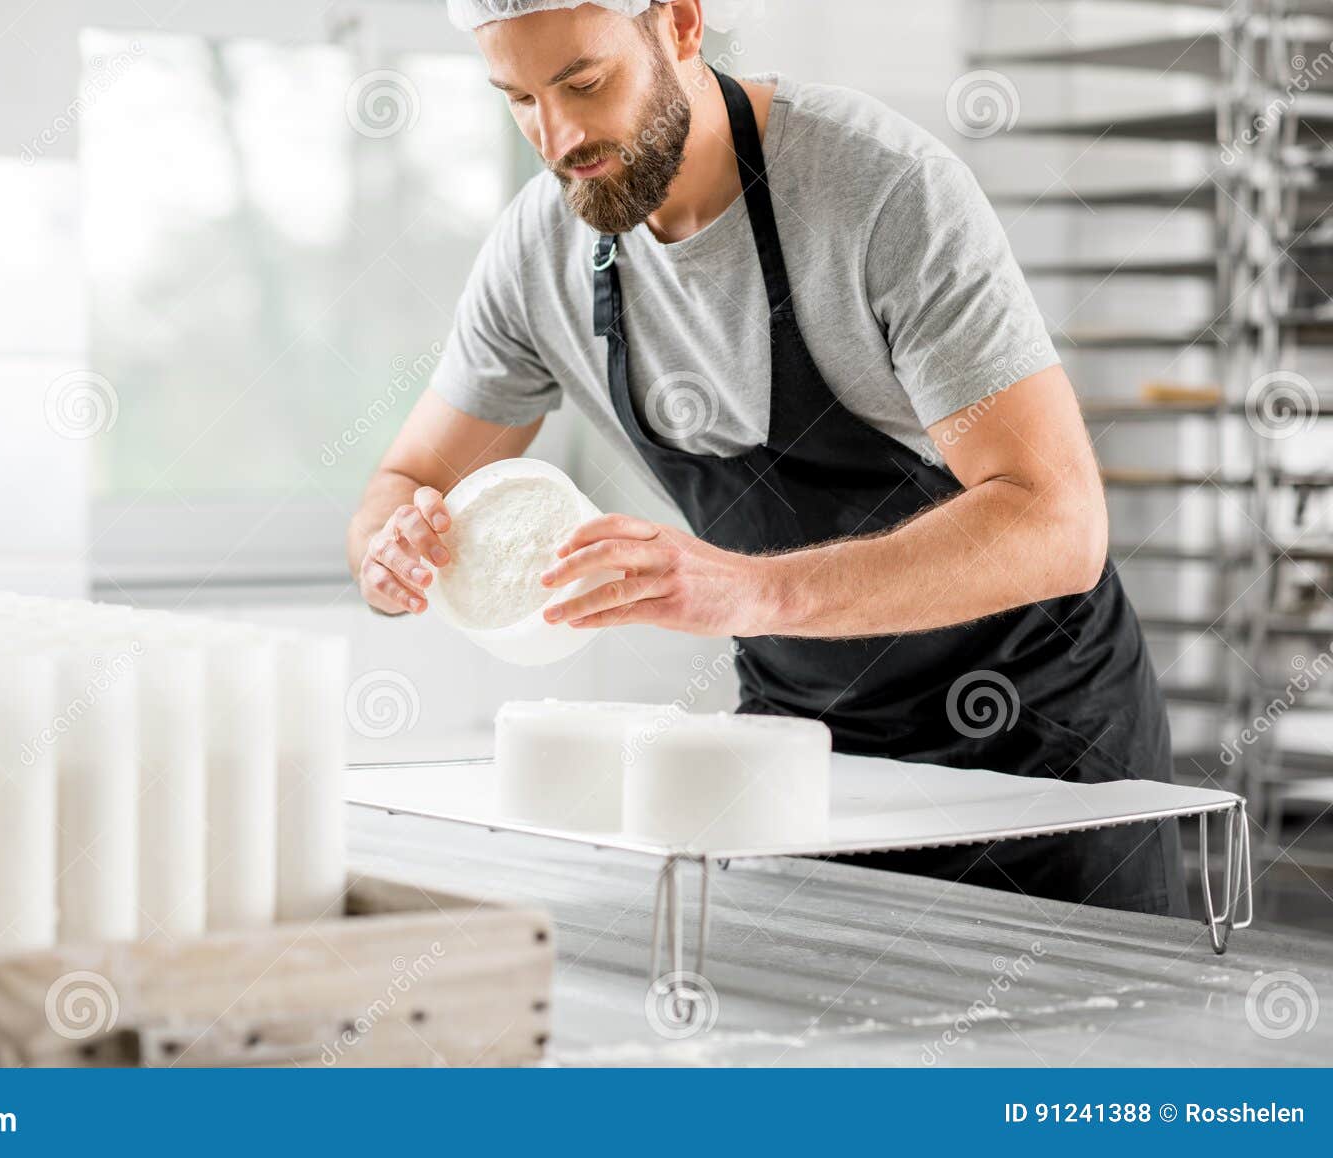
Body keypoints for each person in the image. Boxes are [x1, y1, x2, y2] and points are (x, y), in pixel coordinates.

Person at [346, 0, 1185, 917]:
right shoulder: (536, 254)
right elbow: (405, 485)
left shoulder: (880, 189)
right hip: (800, 758)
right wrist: (390, 556)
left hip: (1039, 753)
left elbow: (1058, 523)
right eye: (518, 99)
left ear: (680, 24)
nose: (558, 138)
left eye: (584, 83)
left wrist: (750, 592)